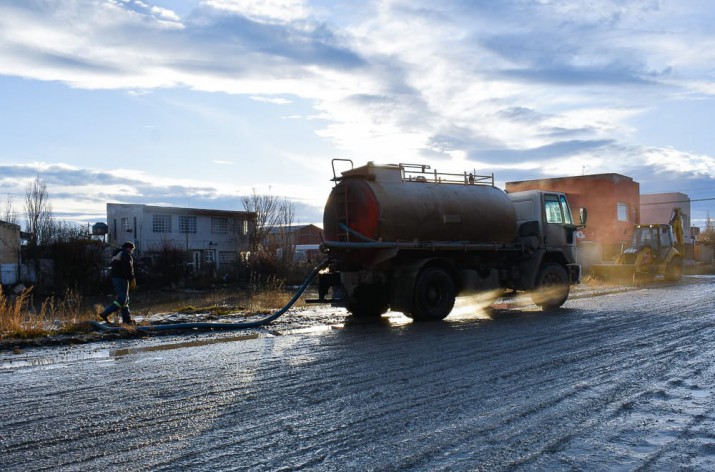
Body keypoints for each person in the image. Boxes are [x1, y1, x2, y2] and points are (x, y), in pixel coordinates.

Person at [99, 241, 136, 324]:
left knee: (125, 300)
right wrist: (131, 278)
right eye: (131, 249)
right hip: (122, 278)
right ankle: (105, 313)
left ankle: (127, 320)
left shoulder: (117, 253)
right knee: (122, 299)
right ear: (128, 248)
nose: (131, 251)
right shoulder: (125, 254)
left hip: (116, 278)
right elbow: (128, 267)